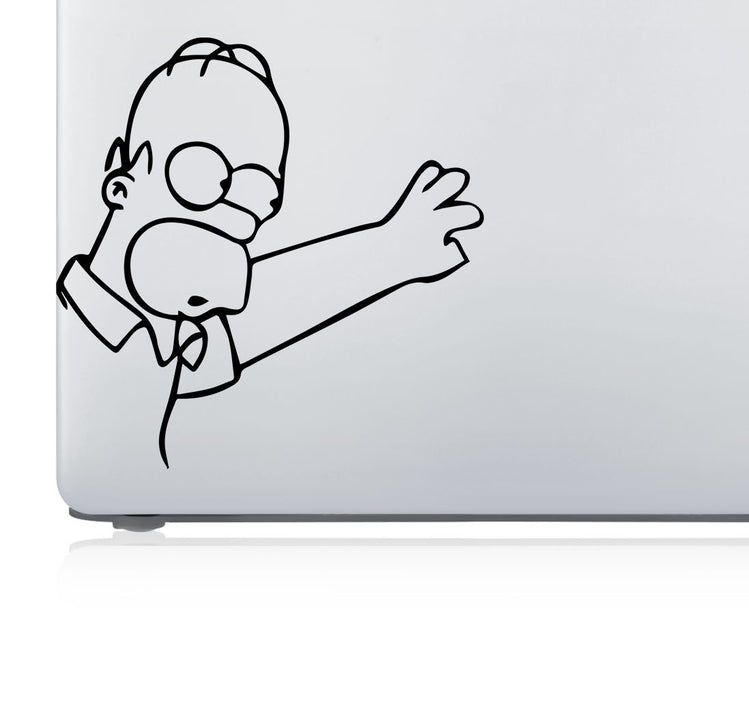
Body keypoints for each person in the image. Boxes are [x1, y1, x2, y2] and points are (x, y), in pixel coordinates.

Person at [57, 38, 483, 466]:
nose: (228, 219)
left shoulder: (177, 336)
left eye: (259, 196)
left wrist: (390, 249)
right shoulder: (65, 333)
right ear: (120, 179)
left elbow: (260, 313)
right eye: (202, 175)